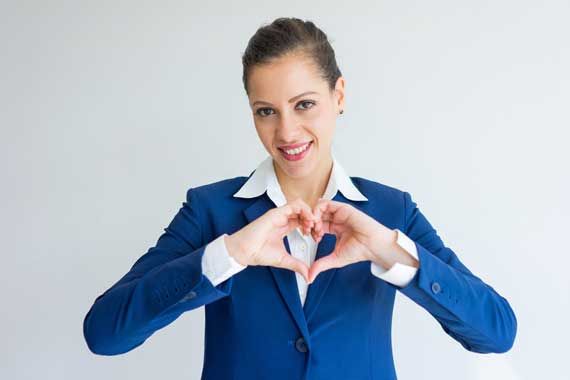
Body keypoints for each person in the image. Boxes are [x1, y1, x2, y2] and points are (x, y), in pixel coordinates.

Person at [83, 17, 517, 380]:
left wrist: (393, 253)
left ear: (339, 95)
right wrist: (228, 255)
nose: (286, 132)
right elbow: (104, 334)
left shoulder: (391, 211)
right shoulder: (210, 211)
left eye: (304, 104)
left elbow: (496, 332)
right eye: (266, 111)